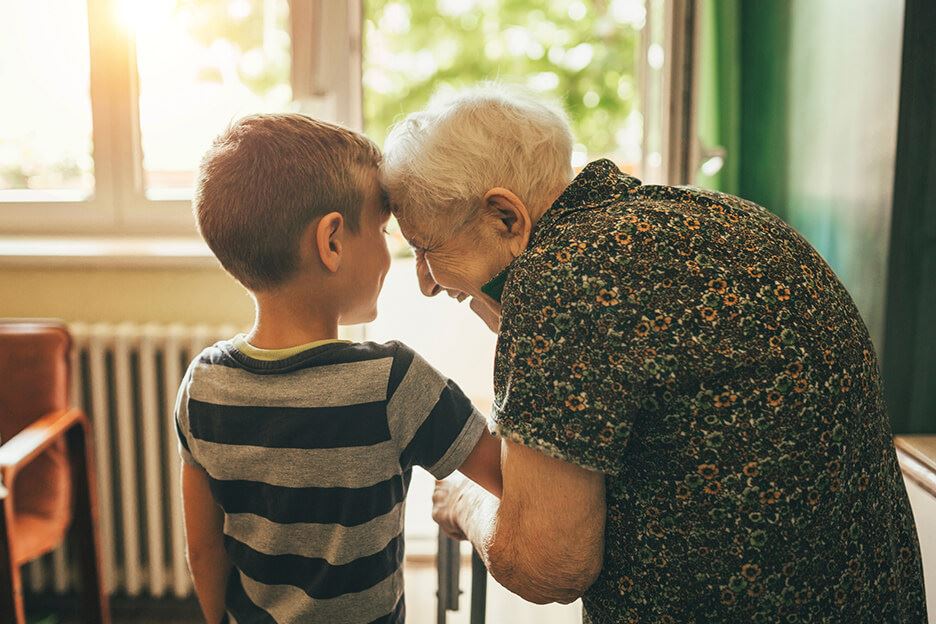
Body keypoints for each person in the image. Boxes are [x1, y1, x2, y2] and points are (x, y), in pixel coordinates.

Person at [380, 85, 928, 623]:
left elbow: (546, 565)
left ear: (506, 216)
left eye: (426, 249)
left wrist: (466, 504)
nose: (426, 283)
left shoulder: (564, 276)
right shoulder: (723, 219)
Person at [175, 113, 502, 624]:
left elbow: (204, 548)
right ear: (331, 241)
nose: (392, 251)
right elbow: (508, 475)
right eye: (382, 229)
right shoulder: (392, 383)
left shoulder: (204, 385)